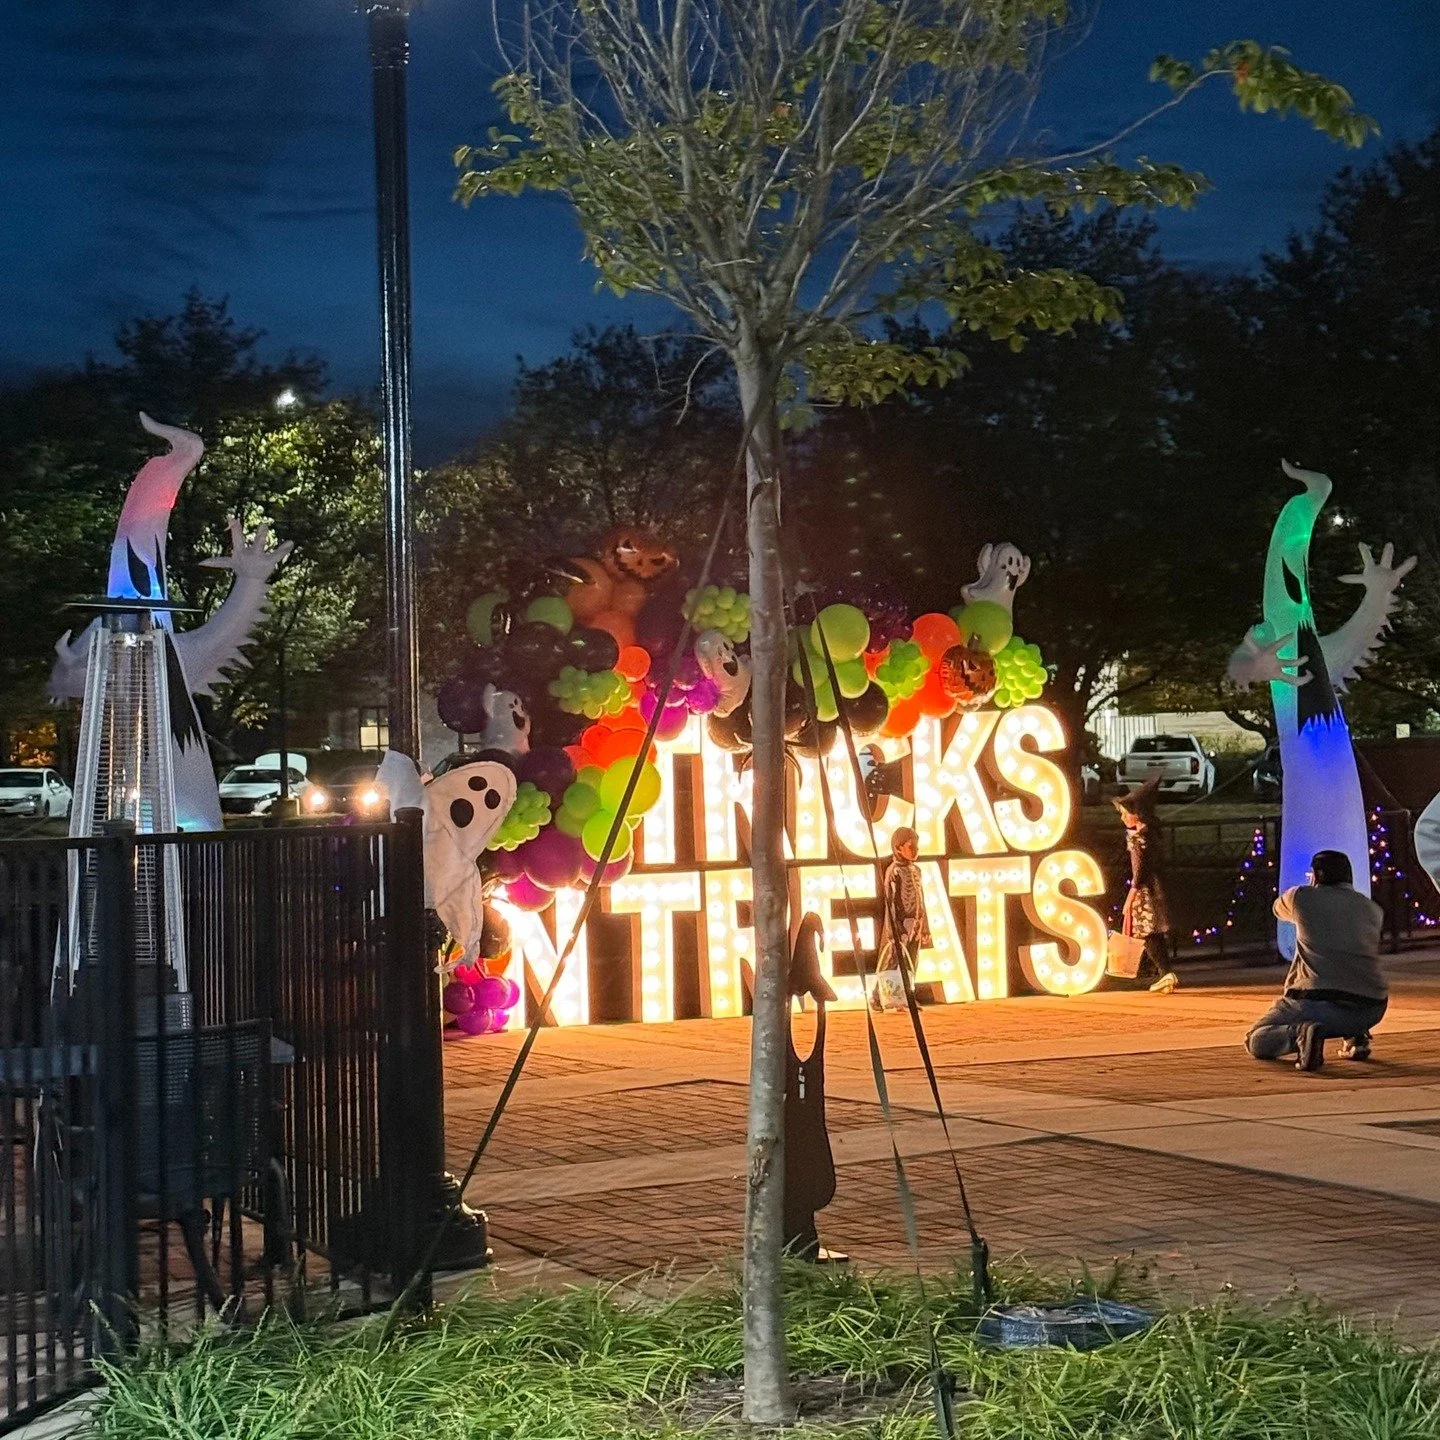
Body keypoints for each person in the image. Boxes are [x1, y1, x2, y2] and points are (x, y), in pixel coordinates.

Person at [1246, 849, 1388, 1071]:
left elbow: (1277, 909)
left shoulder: (1302, 897)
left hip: (1318, 1004)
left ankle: (1300, 1035)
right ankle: (1356, 1036)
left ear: (1316, 875)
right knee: (1348, 967)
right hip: (1372, 1008)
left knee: (1256, 1040)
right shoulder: (1372, 909)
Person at [1113, 776, 1179, 993]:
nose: (1123, 817)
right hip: (1154, 888)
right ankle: (1163, 973)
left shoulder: (1139, 839)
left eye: (1126, 813)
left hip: (1146, 892)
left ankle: (1164, 972)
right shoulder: (1150, 834)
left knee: (1146, 932)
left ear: (1137, 814)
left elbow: (1140, 870)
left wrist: (1130, 897)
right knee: (1152, 932)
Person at [874, 826, 930, 1011]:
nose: (916, 850)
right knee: (892, 960)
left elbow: (921, 899)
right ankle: (877, 996)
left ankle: (907, 996)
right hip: (901, 923)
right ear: (898, 848)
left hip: (916, 922)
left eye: (916, 846)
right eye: (911, 846)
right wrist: (894, 928)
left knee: (912, 960)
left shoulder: (916, 870)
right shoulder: (894, 871)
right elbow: (890, 901)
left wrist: (925, 926)